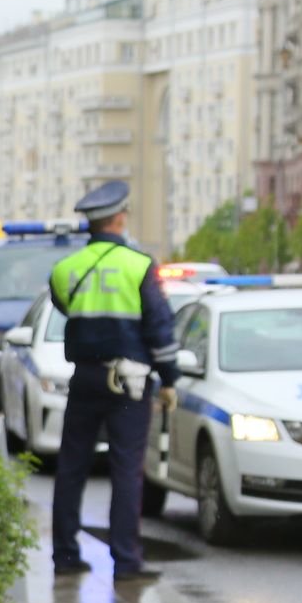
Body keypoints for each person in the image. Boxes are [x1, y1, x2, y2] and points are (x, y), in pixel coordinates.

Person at [47, 179, 178, 582]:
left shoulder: (65, 269)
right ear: (119, 217)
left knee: (71, 467)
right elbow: (159, 327)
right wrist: (170, 378)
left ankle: (65, 555)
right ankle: (125, 560)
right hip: (129, 383)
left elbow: (62, 306)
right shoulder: (139, 265)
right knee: (126, 469)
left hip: (84, 377)